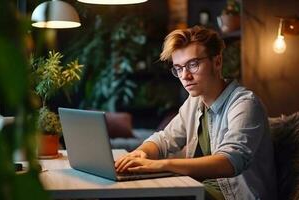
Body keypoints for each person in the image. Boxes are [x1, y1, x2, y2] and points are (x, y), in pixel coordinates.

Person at [115, 26, 277, 200]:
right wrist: (141, 153)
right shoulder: (194, 102)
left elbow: (230, 161)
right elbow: (164, 139)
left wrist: (161, 165)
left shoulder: (245, 104)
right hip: (198, 188)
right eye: (178, 68)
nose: (185, 75)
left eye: (193, 64)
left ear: (217, 62)